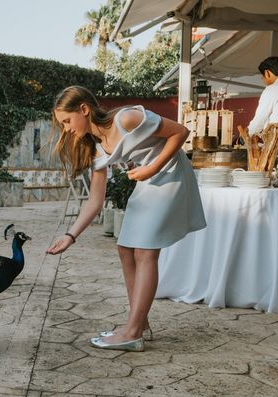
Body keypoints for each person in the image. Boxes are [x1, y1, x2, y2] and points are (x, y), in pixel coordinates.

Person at [46, 86, 206, 352]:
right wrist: (70, 236)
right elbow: (95, 201)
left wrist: (152, 167)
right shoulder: (96, 148)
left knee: (145, 252)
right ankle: (139, 322)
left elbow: (180, 132)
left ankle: (132, 332)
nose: (66, 129)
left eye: (67, 121)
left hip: (170, 176)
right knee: (125, 248)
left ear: (84, 109)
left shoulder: (127, 118)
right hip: (147, 180)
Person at [248, 56, 278, 136]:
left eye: (262, 75)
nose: (262, 78)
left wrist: (247, 134)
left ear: (267, 73)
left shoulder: (272, 89)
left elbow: (260, 119)